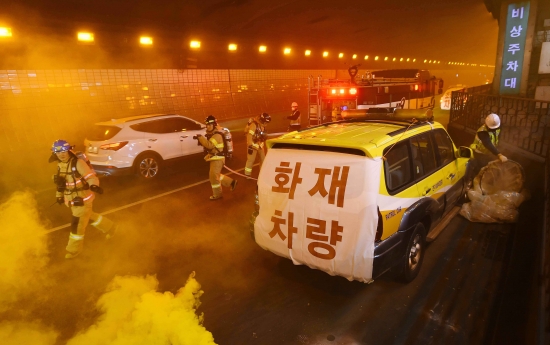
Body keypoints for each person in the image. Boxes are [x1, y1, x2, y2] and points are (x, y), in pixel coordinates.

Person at [51, 139, 116, 259]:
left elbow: (90, 176)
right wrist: (59, 196)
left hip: (82, 199)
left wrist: (94, 185)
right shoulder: (60, 165)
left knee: (77, 225)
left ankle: (74, 250)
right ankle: (110, 227)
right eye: (58, 152)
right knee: (89, 217)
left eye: (63, 151)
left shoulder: (78, 163)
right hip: (71, 201)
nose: (61, 154)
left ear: (69, 150)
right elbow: (61, 184)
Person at [196, 115, 237, 200]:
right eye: (206, 125)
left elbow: (209, 145)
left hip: (218, 159)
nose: (207, 126)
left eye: (209, 125)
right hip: (215, 158)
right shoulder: (212, 134)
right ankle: (231, 182)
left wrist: (200, 138)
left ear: (214, 125)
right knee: (216, 175)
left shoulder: (217, 135)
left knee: (213, 176)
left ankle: (218, 194)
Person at [245, 112, 271, 179]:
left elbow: (262, 135)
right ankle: (247, 175)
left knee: (263, 159)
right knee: (251, 160)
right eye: (265, 122)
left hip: (259, 145)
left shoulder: (262, 126)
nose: (266, 124)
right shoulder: (254, 125)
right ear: (262, 120)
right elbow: (249, 135)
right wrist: (250, 145)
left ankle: (263, 172)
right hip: (253, 145)